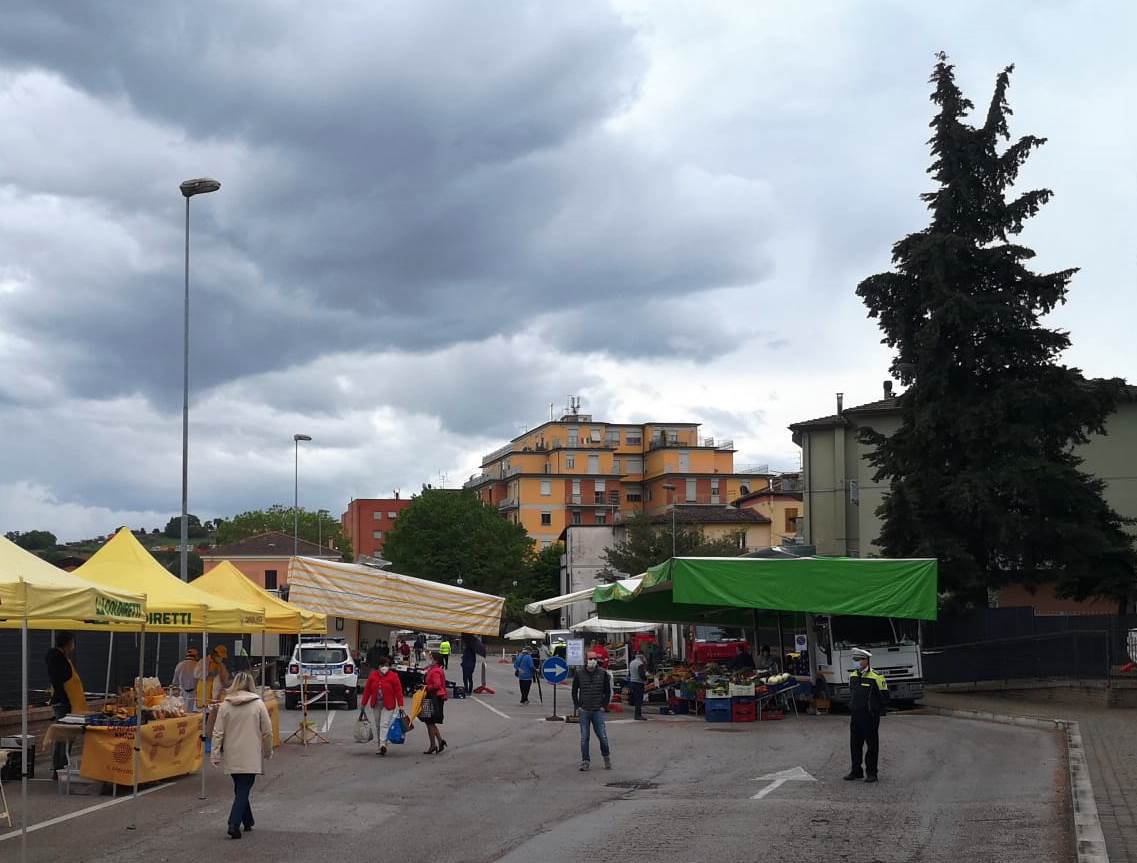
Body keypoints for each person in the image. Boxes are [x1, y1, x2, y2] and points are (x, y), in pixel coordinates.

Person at [211, 671, 273, 839]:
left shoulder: (225, 705)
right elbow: (267, 731)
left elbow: (218, 732)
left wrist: (215, 753)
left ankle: (248, 820)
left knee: (240, 788)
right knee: (244, 788)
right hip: (250, 753)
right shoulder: (258, 704)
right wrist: (268, 750)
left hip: (232, 753)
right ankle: (233, 822)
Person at [45, 632, 86, 778]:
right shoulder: (58, 659)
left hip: (64, 702)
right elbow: (63, 681)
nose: (74, 647)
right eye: (73, 643)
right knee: (64, 736)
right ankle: (59, 768)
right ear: (68, 643)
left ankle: (61, 766)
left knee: (65, 736)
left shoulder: (59, 658)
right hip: (64, 703)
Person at [844, 647, 888, 783]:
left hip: (870, 716)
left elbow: (884, 696)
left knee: (872, 745)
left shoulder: (876, 676)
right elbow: (852, 694)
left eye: (858, 660)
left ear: (866, 660)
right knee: (855, 744)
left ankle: (872, 773)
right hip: (856, 715)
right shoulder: (853, 676)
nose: (855, 662)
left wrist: (878, 711)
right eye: (854, 659)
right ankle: (856, 771)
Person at [571, 650, 612, 771]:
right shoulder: (579, 674)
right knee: (584, 737)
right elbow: (574, 691)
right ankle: (585, 761)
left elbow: (607, 691)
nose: (592, 661)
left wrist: (604, 706)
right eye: (590, 659)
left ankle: (606, 757)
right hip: (584, 710)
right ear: (586, 660)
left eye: (594, 659)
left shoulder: (603, 673)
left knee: (602, 736)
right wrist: (577, 706)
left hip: (597, 710)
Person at [361, 658, 405, 756]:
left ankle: (382, 745)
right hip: (376, 703)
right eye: (382, 665)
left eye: (386, 665)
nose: (384, 668)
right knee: (377, 724)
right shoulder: (373, 676)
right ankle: (380, 744)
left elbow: (398, 691)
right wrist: (363, 704)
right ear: (379, 666)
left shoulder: (393, 676)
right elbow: (367, 691)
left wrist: (401, 705)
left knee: (384, 724)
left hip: (388, 704)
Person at [422, 652, 448, 755]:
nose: (429, 659)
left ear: (436, 660)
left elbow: (437, 685)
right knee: (429, 722)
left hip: (433, 697)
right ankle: (439, 741)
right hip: (431, 696)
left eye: (431, 658)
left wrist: (427, 687)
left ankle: (433, 745)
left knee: (429, 721)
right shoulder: (433, 669)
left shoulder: (436, 671)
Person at [172, 647, 201, 712]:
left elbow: (175, 682)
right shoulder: (198, 665)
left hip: (182, 694)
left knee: (183, 714)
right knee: (193, 716)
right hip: (195, 695)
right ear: (196, 656)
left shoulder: (179, 665)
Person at [626, 650, 648, 720]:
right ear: (642, 656)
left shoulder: (632, 662)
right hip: (639, 683)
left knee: (636, 699)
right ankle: (638, 715)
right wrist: (645, 679)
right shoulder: (640, 663)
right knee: (639, 699)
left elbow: (629, 673)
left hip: (632, 682)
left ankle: (637, 714)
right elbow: (641, 674)